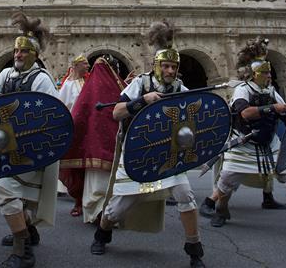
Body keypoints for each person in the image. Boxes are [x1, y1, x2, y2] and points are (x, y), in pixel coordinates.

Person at [90, 20, 211, 268]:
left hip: (169, 153)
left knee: (185, 195)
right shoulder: (141, 84)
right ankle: (103, 232)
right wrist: (142, 100)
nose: (169, 71)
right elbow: (116, 113)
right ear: (156, 65)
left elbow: (195, 116)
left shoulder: (180, 88)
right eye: (165, 66)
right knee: (117, 209)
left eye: (173, 67)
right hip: (139, 152)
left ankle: (194, 249)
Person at [201, 37, 286, 241]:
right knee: (226, 180)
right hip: (245, 141)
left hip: (269, 143)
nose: (269, 75)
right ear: (254, 74)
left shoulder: (271, 91)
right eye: (265, 72)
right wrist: (271, 108)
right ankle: (221, 210)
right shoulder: (243, 89)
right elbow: (244, 113)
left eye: (269, 72)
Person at [0, 12, 59, 268]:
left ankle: (23, 251)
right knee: (21, 194)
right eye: (16, 50)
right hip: (5, 144)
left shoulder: (41, 79)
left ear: (35, 54)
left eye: (24, 51)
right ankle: (29, 231)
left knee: (6, 189)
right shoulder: (6, 75)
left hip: (31, 147)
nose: (18, 55)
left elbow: (52, 114)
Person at [59, 55, 125, 223]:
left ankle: (95, 211)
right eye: (84, 64)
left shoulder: (91, 86)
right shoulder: (80, 85)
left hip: (91, 140)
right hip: (99, 139)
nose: (87, 67)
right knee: (99, 178)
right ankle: (93, 209)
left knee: (94, 179)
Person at [57, 54, 91, 216]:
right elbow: (62, 106)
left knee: (88, 166)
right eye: (85, 63)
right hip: (74, 130)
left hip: (89, 130)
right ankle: (78, 201)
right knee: (75, 167)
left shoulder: (89, 82)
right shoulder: (68, 85)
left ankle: (88, 201)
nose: (88, 66)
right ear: (76, 66)